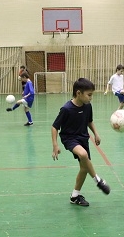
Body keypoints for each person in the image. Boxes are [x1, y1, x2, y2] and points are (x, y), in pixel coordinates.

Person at [52, 78, 110, 207]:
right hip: (69, 138)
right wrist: (55, 145)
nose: (91, 98)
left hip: (83, 138)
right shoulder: (66, 109)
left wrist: (96, 133)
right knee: (83, 155)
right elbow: (55, 126)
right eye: (89, 95)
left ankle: (75, 196)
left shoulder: (88, 106)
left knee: (84, 168)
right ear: (78, 93)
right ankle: (98, 180)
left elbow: (89, 121)